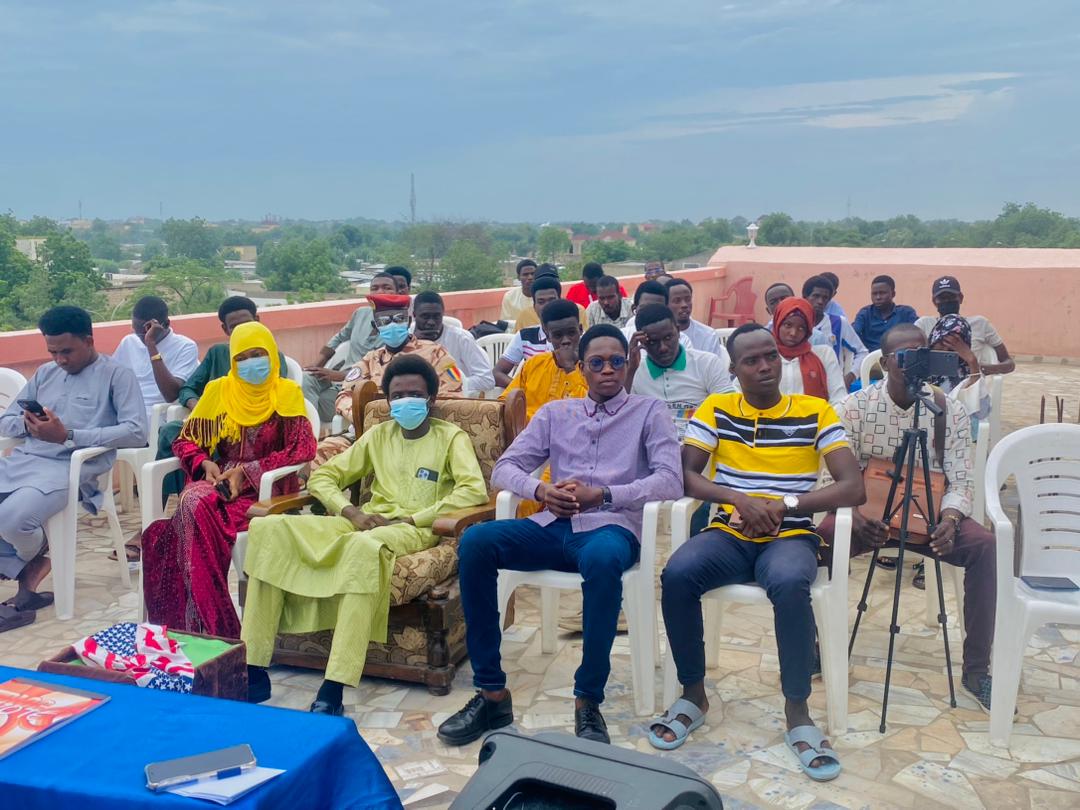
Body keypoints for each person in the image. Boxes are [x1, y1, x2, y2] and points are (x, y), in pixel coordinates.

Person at [439, 324, 683, 746]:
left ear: (627, 365)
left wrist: (604, 495)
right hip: (551, 528)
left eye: (617, 361)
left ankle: (587, 700)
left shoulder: (649, 412)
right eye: (597, 363)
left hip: (611, 529)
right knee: (477, 542)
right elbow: (504, 469)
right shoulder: (556, 413)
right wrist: (541, 490)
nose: (608, 370)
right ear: (582, 368)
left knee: (603, 561)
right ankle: (491, 692)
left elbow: (669, 481)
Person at [653, 324, 864, 781]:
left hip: (790, 535)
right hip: (730, 532)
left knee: (790, 583)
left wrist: (784, 504)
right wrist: (738, 499)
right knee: (677, 575)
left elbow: (854, 487)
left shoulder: (816, 410)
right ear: (734, 369)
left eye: (770, 356)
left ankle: (797, 710)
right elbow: (685, 475)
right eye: (752, 360)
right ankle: (693, 694)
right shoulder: (718, 407)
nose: (765, 366)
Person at [242, 355, 488, 715]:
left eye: (414, 394)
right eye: (397, 395)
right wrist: (350, 511)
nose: (405, 402)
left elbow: (472, 491)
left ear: (431, 399)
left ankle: (335, 684)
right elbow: (324, 477)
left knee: (362, 549)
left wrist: (412, 517)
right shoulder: (378, 435)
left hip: (416, 529)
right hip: (367, 521)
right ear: (388, 401)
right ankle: (254, 668)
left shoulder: (451, 437)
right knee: (268, 529)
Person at [817, 323, 999, 710]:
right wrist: (851, 513)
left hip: (931, 518)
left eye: (922, 354)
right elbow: (831, 476)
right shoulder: (853, 408)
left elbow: (962, 478)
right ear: (884, 363)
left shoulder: (948, 409)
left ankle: (977, 669)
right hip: (868, 518)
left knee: (985, 547)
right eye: (905, 356)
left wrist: (950, 520)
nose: (915, 363)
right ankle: (816, 646)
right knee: (817, 542)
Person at [142, 322, 317, 638]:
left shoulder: (286, 393)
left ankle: (203, 625)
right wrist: (204, 462)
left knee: (186, 513)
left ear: (272, 355)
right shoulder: (219, 391)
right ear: (233, 361)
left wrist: (246, 473)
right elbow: (185, 441)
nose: (252, 363)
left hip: (265, 493)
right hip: (217, 484)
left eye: (258, 354)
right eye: (243, 358)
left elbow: (302, 448)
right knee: (196, 500)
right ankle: (212, 622)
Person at [0, 307, 148, 632]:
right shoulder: (44, 373)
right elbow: (7, 419)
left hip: (71, 469)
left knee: (10, 519)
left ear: (88, 340)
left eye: (66, 351)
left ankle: (30, 553)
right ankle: (30, 555)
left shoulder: (116, 375)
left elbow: (137, 430)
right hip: (26, 460)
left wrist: (67, 435)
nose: (60, 360)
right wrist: (31, 424)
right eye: (53, 352)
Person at [118, 296, 288, 564]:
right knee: (172, 433)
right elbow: (186, 389)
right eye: (234, 328)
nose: (241, 333)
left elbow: (277, 411)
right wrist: (202, 405)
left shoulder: (270, 358)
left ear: (258, 322)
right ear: (225, 330)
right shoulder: (219, 354)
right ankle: (157, 518)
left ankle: (184, 518)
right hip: (211, 428)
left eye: (246, 324)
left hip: (249, 434)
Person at [626, 304, 734, 439]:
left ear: (678, 331)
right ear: (642, 342)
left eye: (668, 338)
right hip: (653, 447)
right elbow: (621, 418)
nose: (663, 348)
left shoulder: (707, 363)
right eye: (653, 342)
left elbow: (729, 410)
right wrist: (630, 370)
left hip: (701, 445)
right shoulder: (634, 371)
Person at [302, 273, 396, 423]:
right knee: (305, 378)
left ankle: (308, 431)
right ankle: (306, 434)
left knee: (313, 404)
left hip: (362, 390)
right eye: (375, 288)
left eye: (387, 288)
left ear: (397, 293)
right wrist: (318, 364)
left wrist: (338, 375)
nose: (380, 292)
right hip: (337, 384)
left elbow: (382, 372)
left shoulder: (398, 327)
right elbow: (339, 337)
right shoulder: (361, 313)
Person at [111, 295, 200, 420]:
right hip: (126, 408)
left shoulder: (185, 346)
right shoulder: (129, 342)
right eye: (135, 330)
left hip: (156, 413)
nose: (139, 336)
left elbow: (171, 394)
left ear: (166, 324)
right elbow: (111, 378)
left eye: (144, 332)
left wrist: (151, 345)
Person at [503, 299, 589, 421]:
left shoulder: (593, 367)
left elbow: (589, 411)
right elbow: (505, 402)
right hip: (527, 434)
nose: (566, 341)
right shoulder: (534, 364)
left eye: (571, 333)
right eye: (558, 335)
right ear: (548, 336)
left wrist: (570, 369)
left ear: (580, 330)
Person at [915, 276, 1014, 375]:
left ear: (961, 298)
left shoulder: (980, 323)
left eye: (951, 297)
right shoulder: (924, 324)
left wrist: (975, 367)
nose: (947, 301)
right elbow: (912, 362)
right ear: (934, 302)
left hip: (971, 386)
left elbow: (1009, 364)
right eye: (942, 298)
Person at [761, 298, 847, 408]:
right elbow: (740, 390)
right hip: (770, 422)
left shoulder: (824, 355)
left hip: (816, 421)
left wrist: (827, 421)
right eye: (788, 325)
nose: (793, 333)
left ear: (808, 331)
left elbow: (839, 398)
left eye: (801, 328)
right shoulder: (763, 356)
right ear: (778, 323)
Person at [413, 291, 495, 395]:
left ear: (443, 314)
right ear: (414, 316)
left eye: (436, 317)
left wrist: (450, 385)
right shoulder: (407, 339)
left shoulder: (461, 338)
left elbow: (487, 380)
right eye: (425, 317)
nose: (431, 322)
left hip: (454, 399)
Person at [494, 274, 563, 388]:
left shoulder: (575, 336)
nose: (547, 307)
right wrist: (524, 391)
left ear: (560, 302)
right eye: (541, 302)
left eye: (551, 300)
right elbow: (497, 373)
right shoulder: (524, 336)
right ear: (534, 306)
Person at [928, 315, 991, 436]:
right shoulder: (920, 363)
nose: (946, 351)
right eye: (942, 343)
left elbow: (981, 413)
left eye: (954, 347)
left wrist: (972, 362)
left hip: (956, 432)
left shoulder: (969, 372)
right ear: (933, 340)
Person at [802, 275, 868, 388]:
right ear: (805, 297)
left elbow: (862, 352)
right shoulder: (796, 324)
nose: (820, 301)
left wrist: (850, 376)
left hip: (832, 385)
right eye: (816, 296)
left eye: (825, 298)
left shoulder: (838, 323)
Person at [852, 275, 918, 353]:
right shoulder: (865, 313)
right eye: (874, 294)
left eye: (882, 293)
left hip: (899, 359)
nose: (878, 297)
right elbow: (854, 334)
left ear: (893, 294)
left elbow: (917, 336)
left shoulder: (906, 313)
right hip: (870, 360)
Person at [514, 265, 589, 332]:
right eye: (542, 281)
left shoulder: (577, 311)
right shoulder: (525, 316)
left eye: (552, 280)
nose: (548, 283)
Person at [666, 278, 727, 359]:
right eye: (677, 301)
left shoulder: (708, 335)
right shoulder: (659, 336)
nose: (684, 305)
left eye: (688, 299)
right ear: (665, 304)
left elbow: (712, 367)